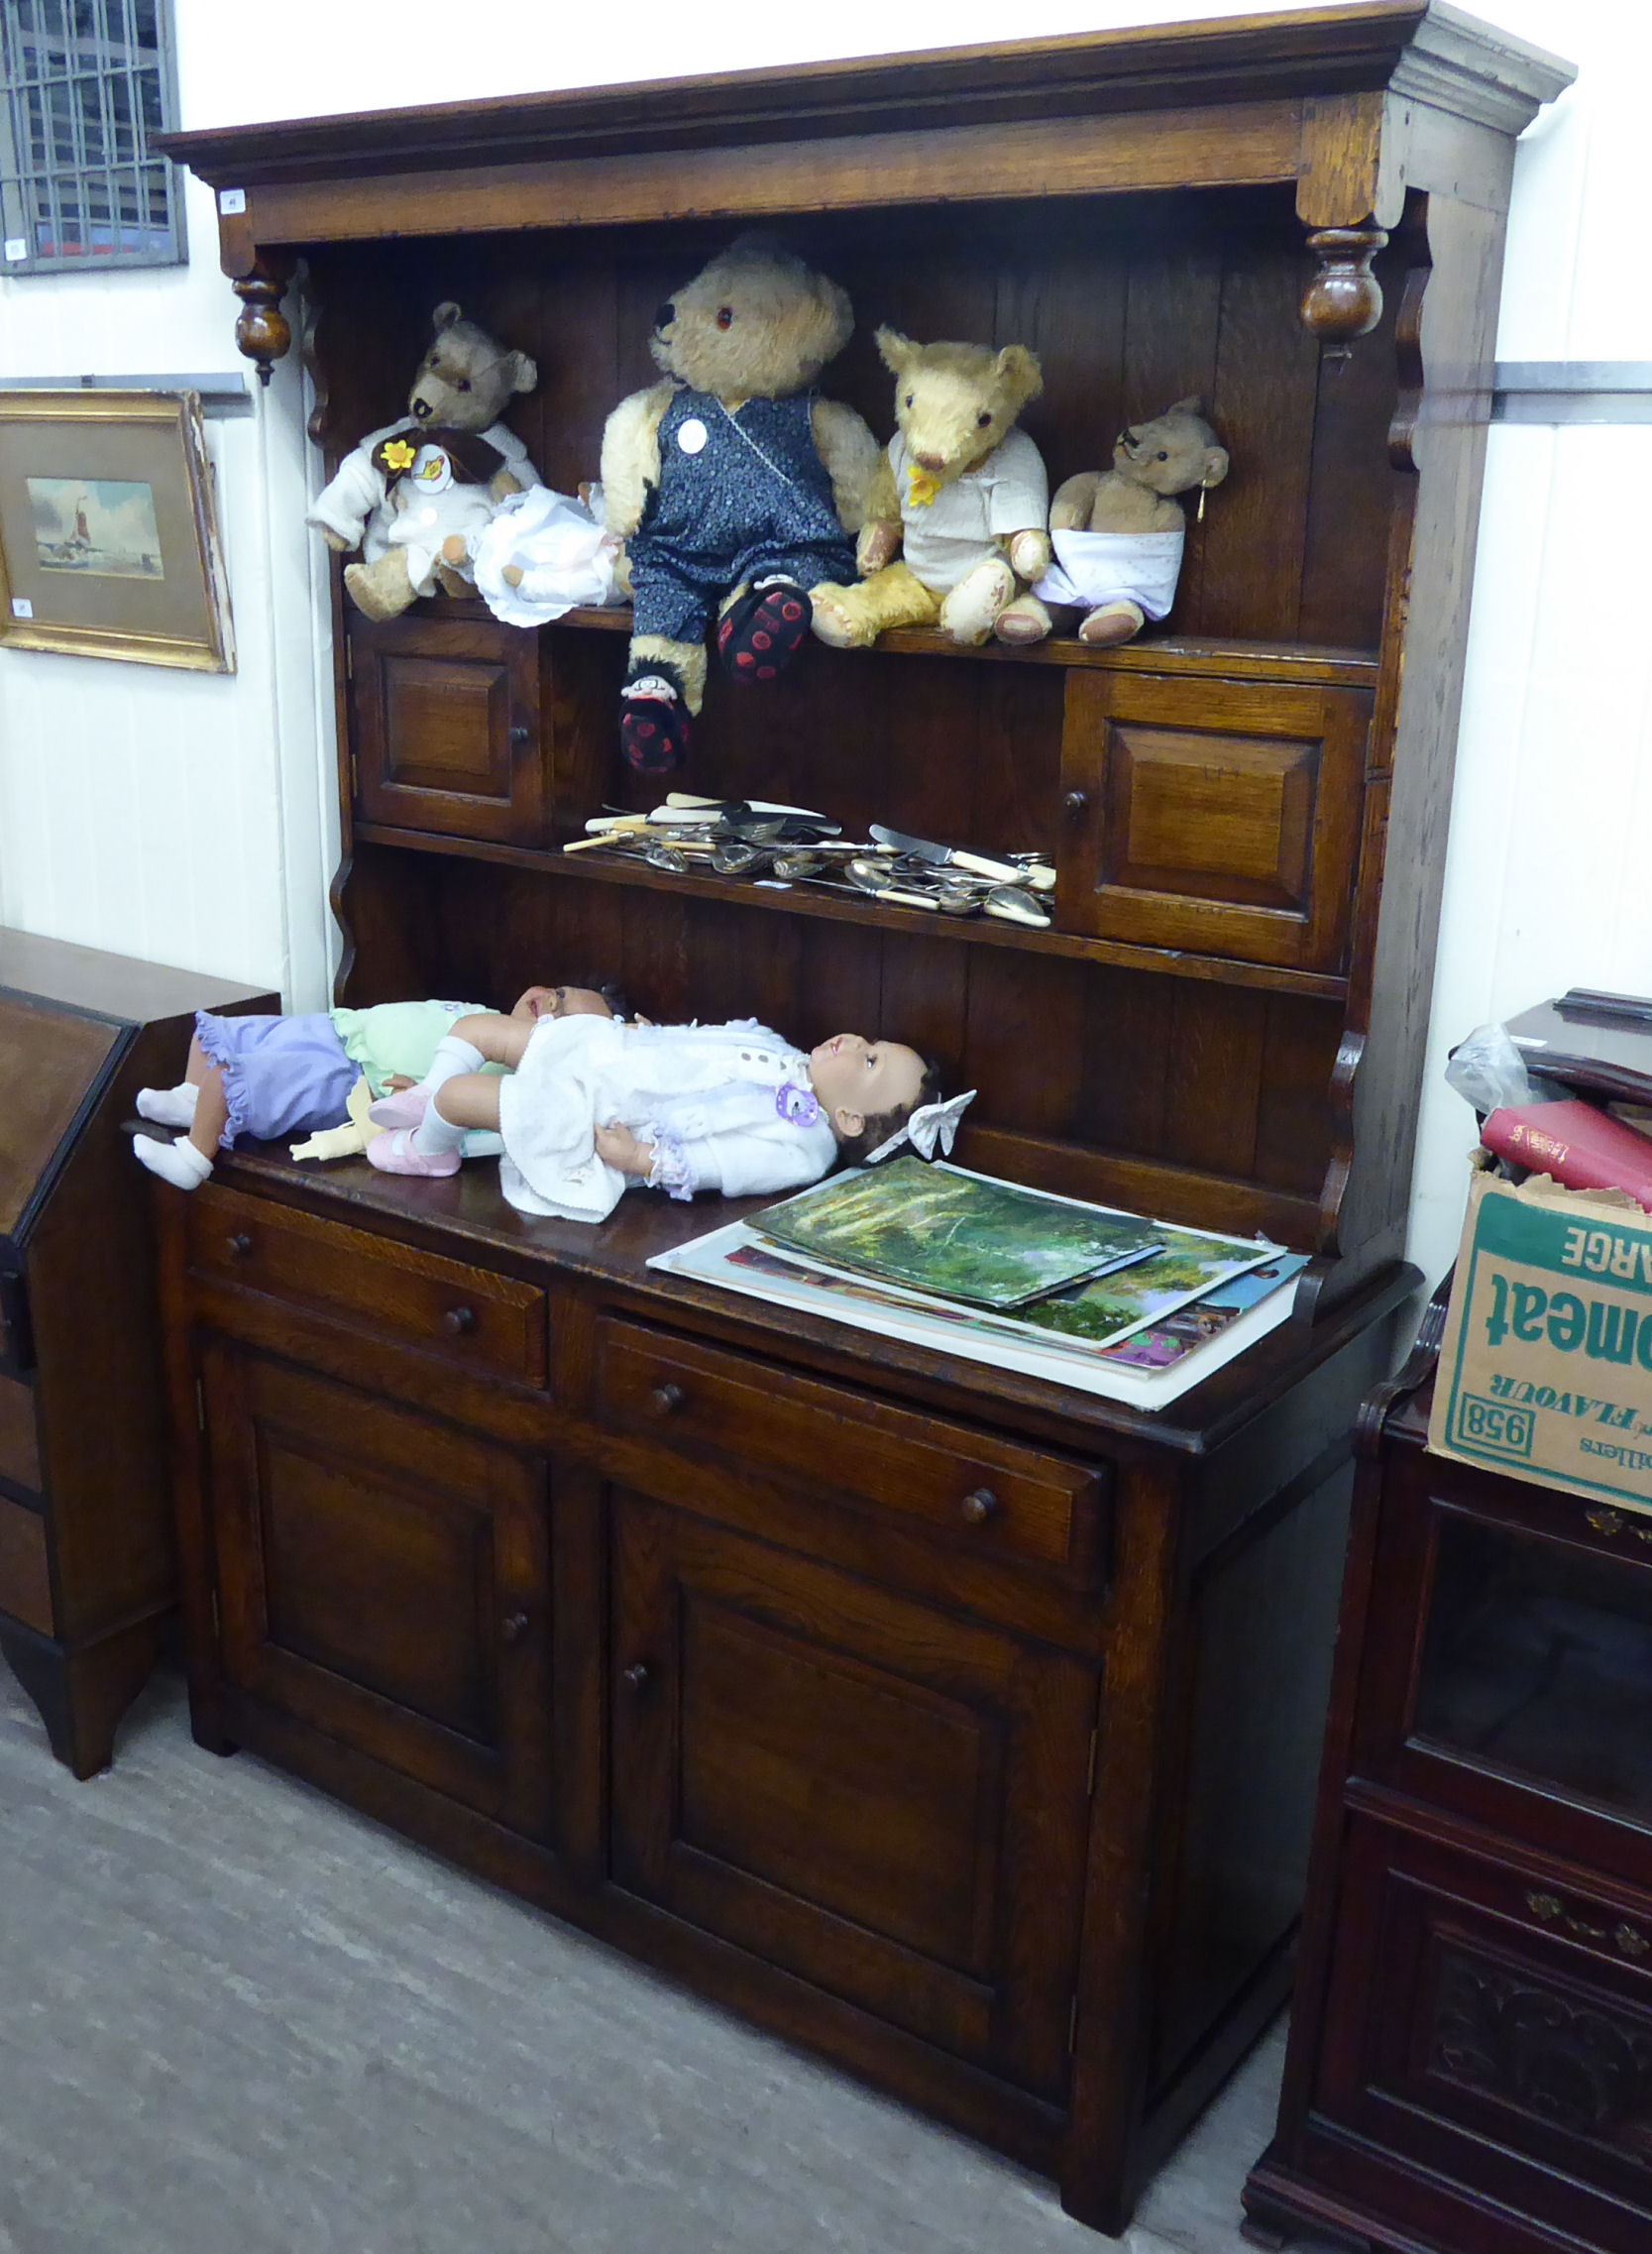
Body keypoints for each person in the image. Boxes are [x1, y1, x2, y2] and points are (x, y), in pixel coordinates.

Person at [365, 1012, 947, 1224]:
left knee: (467, 1095)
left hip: (605, 1117)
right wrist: (652, 1035)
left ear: (848, 1120)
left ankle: (432, 1141)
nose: (854, 1042)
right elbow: (710, 1042)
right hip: (609, 1057)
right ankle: (426, 1093)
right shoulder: (784, 1052)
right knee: (477, 1029)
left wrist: (641, 1159)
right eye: (871, 1041)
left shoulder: (800, 1147)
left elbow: (721, 1164)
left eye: (869, 1059)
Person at [132, 979, 628, 1192]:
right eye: (558, 993)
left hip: (347, 1075)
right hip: (338, 1029)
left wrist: (416, 1093)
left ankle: (194, 1158)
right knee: (214, 1034)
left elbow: (450, 1107)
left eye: (557, 1019)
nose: (547, 1002)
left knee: (234, 1079)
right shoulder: (489, 1015)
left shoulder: (503, 1074)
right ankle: (190, 1101)